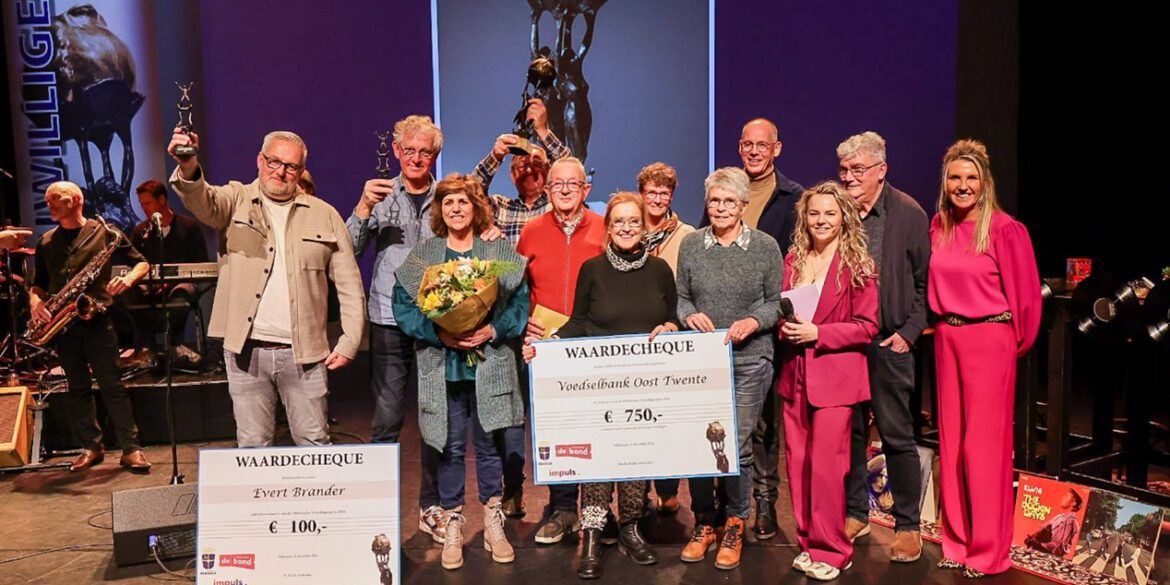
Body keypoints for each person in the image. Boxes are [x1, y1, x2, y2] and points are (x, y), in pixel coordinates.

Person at [167, 127, 366, 448]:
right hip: (246, 353)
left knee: (314, 444)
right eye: (274, 161)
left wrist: (351, 339)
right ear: (260, 160)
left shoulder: (325, 214)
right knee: (253, 446)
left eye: (290, 167)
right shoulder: (234, 199)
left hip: (305, 355)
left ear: (301, 171)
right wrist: (188, 165)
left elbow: (349, 284)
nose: (280, 172)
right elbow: (202, 201)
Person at [524, 192, 673, 578]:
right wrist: (548, 346)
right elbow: (579, 322)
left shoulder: (660, 271)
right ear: (608, 228)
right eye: (618, 222)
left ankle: (630, 528)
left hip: (644, 385)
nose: (626, 228)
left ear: (644, 227)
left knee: (636, 456)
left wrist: (671, 327)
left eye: (633, 222)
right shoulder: (592, 268)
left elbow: (671, 317)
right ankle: (591, 532)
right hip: (598, 385)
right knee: (599, 456)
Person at [391, 174, 529, 571]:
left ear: (476, 207)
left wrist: (494, 329)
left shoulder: (496, 251)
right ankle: (452, 520)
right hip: (443, 367)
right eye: (448, 201)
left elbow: (519, 300)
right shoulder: (426, 253)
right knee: (448, 446)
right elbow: (404, 307)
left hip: (488, 364)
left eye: (463, 202)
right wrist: (438, 332)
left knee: (488, 448)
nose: (455, 208)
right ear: (439, 209)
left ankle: (492, 520)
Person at [929, 139, 1041, 578]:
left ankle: (989, 551)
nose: (962, 185)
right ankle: (957, 540)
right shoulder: (937, 226)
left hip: (989, 339)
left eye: (971, 178)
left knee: (984, 447)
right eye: (955, 177)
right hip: (947, 339)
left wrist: (1007, 347)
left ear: (984, 182)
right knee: (953, 444)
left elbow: (1028, 299)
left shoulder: (1004, 229)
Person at [346, 115, 450, 541]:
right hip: (388, 318)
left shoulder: (448, 198)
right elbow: (349, 248)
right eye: (410, 151)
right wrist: (362, 208)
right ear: (396, 152)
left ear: (435, 156)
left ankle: (432, 507)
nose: (417, 158)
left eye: (425, 152)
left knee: (433, 419)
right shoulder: (380, 195)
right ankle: (378, 509)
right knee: (387, 419)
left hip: (434, 323)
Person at [701, 118, 804, 538]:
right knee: (725, 425)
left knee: (764, 425)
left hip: (767, 329)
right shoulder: (720, 190)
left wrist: (765, 317)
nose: (755, 151)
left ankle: (764, 504)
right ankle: (728, 505)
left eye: (762, 145)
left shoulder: (793, 197)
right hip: (719, 340)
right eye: (747, 144)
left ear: (776, 148)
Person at [677, 167, 782, 570]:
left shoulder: (764, 247)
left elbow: (775, 302)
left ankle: (736, 520)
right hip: (701, 362)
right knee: (700, 444)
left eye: (728, 201)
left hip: (749, 360)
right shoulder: (691, 245)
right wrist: (689, 316)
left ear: (742, 205)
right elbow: (682, 298)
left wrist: (754, 321)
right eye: (714, 201)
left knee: (734, 446)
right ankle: (705, 522)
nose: (720, 208)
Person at [835, 132, 931, 564]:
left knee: (897, 435)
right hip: (846, 343)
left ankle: (908, 525)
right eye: (845, 170)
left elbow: (925, 283)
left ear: (881, 171)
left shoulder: (908, 213)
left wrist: (908, 333)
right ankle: (856, 513)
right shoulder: (835, 210)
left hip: (889, 342)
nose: (850, 178)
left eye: (858, 170)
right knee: (851, 435)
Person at [777, 181, 878, 581]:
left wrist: (821, 334)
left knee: (826, 469)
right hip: (795, 374)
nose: (821, 221)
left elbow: (867, 326)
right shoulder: (794, 259)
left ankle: (833, 550)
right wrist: (787, 329)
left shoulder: (858, 265)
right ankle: (807, 543)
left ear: (844, 218)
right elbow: (787, 311)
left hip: (836, 379)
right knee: (799, 466)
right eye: (815, 213)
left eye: (829, 214)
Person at [28, 181, 151, 472]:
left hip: (99, 320)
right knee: (78, 388)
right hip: (65, 325)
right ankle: (91, 447)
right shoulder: (46, 241)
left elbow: (142, 263)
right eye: (47, 201)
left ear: (76, 200)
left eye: (55, 199)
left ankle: (131, 449)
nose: (50, 205)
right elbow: (38, 285)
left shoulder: (106, 233)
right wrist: (35, 303)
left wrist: (128, 279)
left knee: (113, 386)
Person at [516, 156, 605, 544]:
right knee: (556, 431)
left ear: (587, 190)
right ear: (547, 190)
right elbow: (515, 289)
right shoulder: (531, 230)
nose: (566, 190)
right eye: (558, 184)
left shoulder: (605, 228)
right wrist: (523, 325)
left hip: (596, 346)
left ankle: (597, 514)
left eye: (574, 184)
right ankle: (563, 508)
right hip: (548, 348)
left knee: (599, 429)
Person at [636, 162, 694, 514]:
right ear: (641, 194)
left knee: (667, 418)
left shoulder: (686, 234)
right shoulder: (626, 227)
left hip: (672, 331)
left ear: (671, 195)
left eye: (664, 192)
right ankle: (636, 489)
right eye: (651, 192)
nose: (657, 198)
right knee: (640, 419)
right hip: (635, 332)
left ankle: (668, 489)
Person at [125, 179, 210, 361]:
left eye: (147, 203)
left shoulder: (189, 227)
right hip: (151, 285)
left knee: (180, 294)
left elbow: (201, 263)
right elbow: (133, 264)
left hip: (182, 284)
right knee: (129, 294)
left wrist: (171, 281)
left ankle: (174, 343)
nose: (144, 208)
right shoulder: (141, 232)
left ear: (162, 199)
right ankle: (147, 347)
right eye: (141, 204)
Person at [1024, 488, 1083, 557]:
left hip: (1049, 557)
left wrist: (1038, 544)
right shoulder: (1059, 517)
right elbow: (1043, 528)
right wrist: (1033, 537)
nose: (1062, 498)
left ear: (1074, 503)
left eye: (1067, 496)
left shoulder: (1069, 521)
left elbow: (1058, 545)